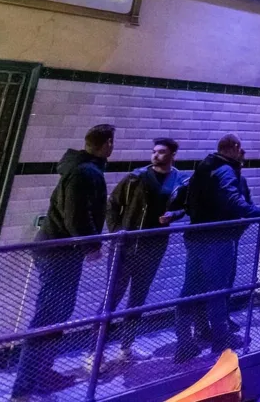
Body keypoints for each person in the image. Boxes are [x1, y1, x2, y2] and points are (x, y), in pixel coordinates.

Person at [12, 125, 114, 399]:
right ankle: (24, 389)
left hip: (57, 250)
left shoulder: (80, 169)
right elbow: (76, 216)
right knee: (48, 317)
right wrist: (91, 245)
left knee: (56, 315)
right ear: (108, 144)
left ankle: (41, 376)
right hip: (60, 253)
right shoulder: (85, 172)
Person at [174, 134, 260, 362]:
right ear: (234, 147)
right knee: (218, 291)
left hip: (196, 236)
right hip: (217, 239)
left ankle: (184, 343)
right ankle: (220, 339)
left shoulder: (204, 168)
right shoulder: (225, 170)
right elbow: (233, 200)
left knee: (189, 291)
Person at [105, 137, 188, 358]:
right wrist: (117, 232)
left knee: (138, 298)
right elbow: (112, 204)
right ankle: (96, 351)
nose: (155, 155)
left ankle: (126, 347)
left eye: (161, 152)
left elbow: (184, 207)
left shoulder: (179, 180)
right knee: (112, 299)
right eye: (154, 151)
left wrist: (173, 215)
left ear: (172, 155)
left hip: (153, 246)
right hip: (126, 246)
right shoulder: (136, 177)